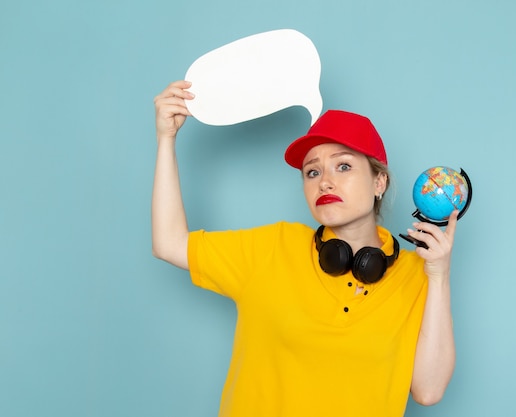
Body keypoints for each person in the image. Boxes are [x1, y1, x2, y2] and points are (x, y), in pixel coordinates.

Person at [152, 80, 458, 417]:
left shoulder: (418, 273)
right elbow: (170, 243)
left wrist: (439, 275)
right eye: (312, 171)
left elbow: (428, 391)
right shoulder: (272, 247)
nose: (324, 180)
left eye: (343, 166)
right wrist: (166, 139)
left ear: (378, 182)